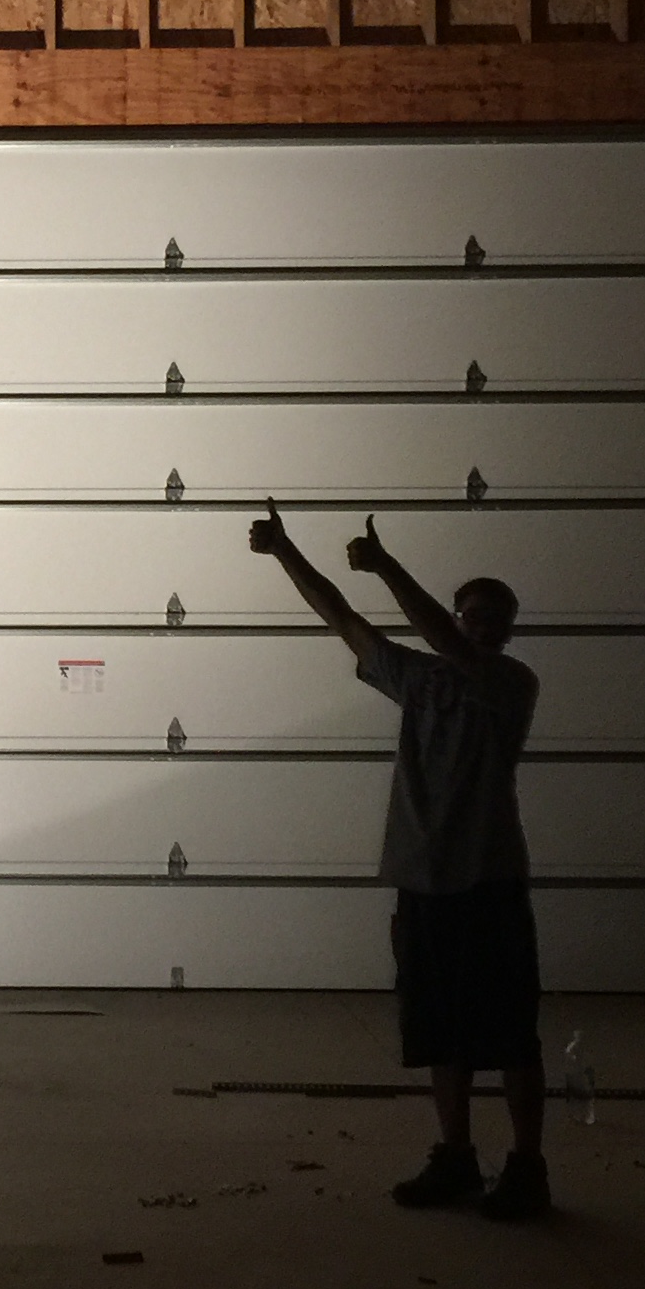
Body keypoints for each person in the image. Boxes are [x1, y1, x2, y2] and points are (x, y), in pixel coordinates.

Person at [245, 500, 550, 1221]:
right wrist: (286, 551)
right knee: (439, 1028)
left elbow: (443, 637)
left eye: (494, 620)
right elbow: (340, 619)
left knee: (509, 1033)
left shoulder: (511, 684)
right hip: (424, 883)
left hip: (490, 882)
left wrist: (386, 565)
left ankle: (528, 1166)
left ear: (506, 632)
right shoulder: (416, 679)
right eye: (475, 615)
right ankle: (456, 1158)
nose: (483, 629)